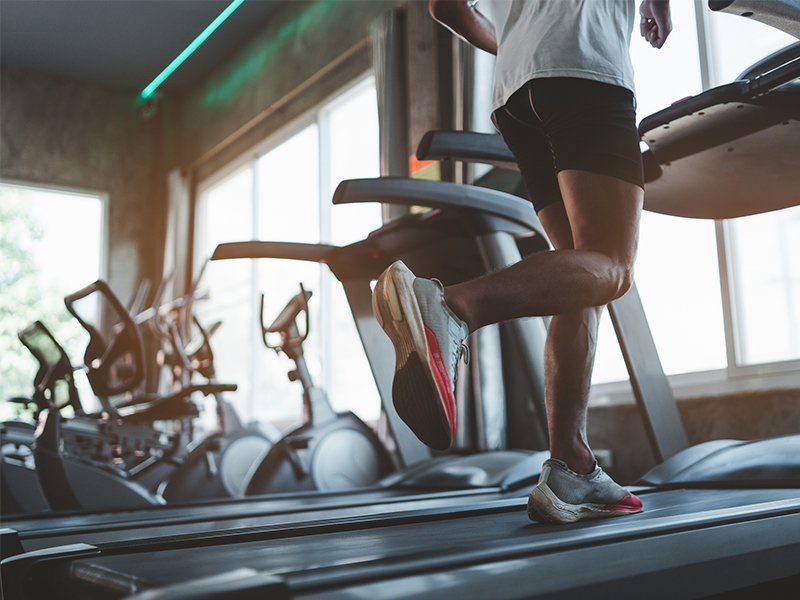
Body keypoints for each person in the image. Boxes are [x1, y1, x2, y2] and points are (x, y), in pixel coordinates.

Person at [372, 0, 672, 524]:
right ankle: (451, 307)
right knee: (613, 267)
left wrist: (518, 44)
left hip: (514, 88)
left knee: (579, 274)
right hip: (584, 63)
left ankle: (570, 464)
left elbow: (445, 7)